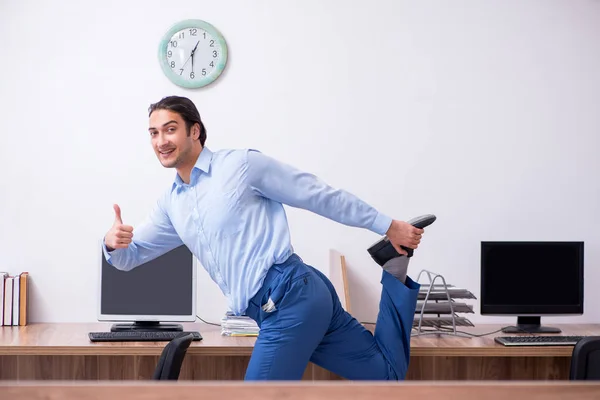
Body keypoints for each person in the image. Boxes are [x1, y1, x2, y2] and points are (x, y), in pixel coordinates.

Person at [103, 95, 426, 381]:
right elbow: (131, 257)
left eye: (170, 129)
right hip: (297, 295)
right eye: (154, 133)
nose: (161, 140)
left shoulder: (241, 165)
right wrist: (111, 243)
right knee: (385, 374)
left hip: (287, 295)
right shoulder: (172, 202)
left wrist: (386, 225)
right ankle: (394, 273)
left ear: (195, 131)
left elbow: (316, 194)